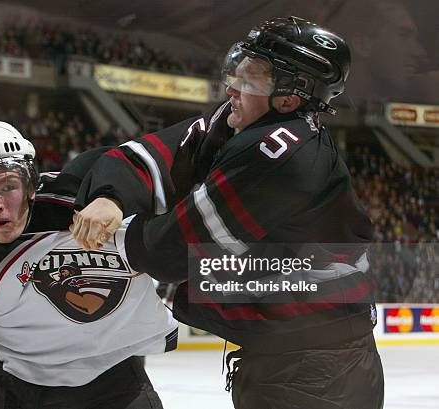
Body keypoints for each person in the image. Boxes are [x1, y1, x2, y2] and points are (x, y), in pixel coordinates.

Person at [72, 17, 384, 409]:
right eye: (238, 69)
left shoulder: (282, 153)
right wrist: (109, 198)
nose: (232, 85)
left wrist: (112, 236)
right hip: (293, 359)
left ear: (289, 99)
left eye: (251, 79)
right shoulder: (239, 123)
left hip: (319, 373)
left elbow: (171, 253)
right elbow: (152, 153)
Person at [0, 121, 178, 409]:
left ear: (30, 185)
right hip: (9, 381)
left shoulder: (86, 197)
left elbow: (166, 172)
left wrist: (115, 199)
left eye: (8, 186)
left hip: (113, 377)